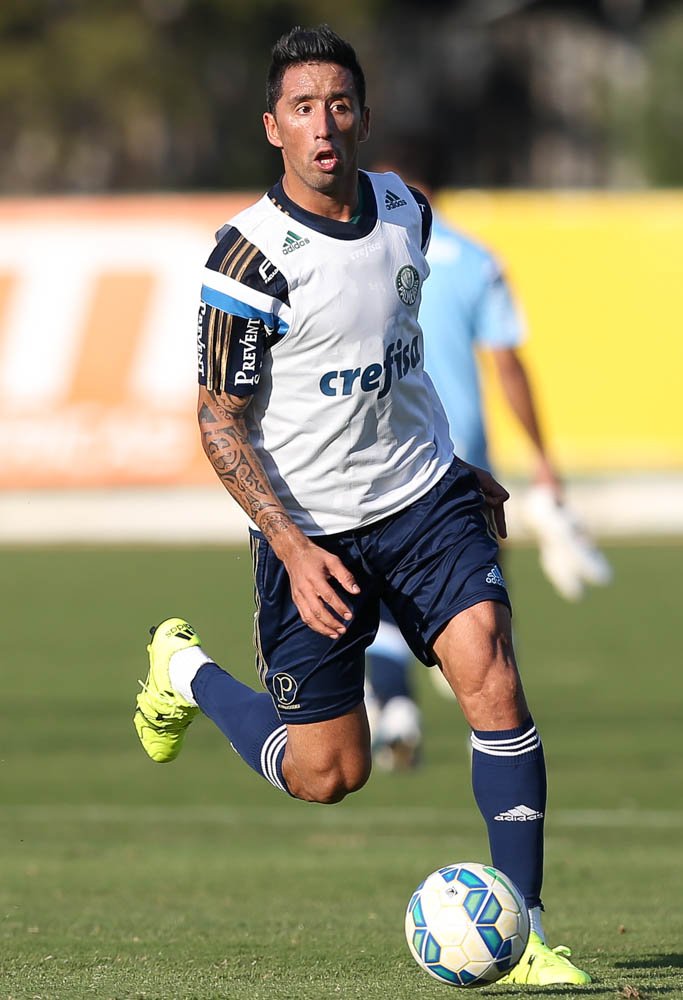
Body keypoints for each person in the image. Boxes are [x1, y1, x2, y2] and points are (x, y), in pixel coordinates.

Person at [133, 25, 591, 987]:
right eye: (302, 108)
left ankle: (528, 934)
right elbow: (220, 425)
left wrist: (456, 463)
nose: (323, 124)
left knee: (494, 681)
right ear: (273, 128)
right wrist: (294, 552)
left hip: (425, 499)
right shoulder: (247, 262)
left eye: (339, 104)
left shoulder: (403, 213)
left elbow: (399, 362)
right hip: (314, 532)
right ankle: (185, 671)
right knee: (328, 774)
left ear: (364, 117)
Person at [365, 141, 611, 771]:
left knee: (386, 602)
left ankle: (396, 710)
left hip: (386, 456)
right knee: (474, 606)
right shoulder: (475, 260)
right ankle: (480, 717)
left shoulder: (367, 255)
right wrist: (543, 461)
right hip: (463, 461)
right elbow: (507, 364)